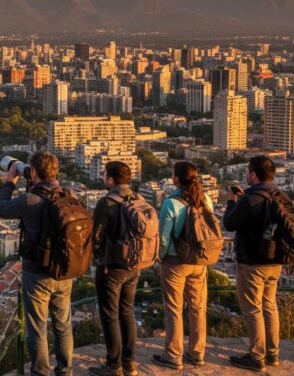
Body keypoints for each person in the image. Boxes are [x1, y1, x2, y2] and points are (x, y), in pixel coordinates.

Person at [0, 151, 74, 376]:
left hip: (36, 272)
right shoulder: (69, 194)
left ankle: (40, 372)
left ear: (35, 173)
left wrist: (9, 182)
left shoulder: (29, 200)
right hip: (64, 271)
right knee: (63, 324)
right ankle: (65, 370)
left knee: (37, 327)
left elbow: (0, 208)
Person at [223, 156, 282, 372]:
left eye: (248, 172)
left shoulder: (250, 199)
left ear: (254, 174)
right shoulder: (279, 196)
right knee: (270, 306)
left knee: (253, 309)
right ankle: (273, 354)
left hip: (252, 263)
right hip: (275, 261)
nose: (247, 175)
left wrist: (231, 201)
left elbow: (229, 223)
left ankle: (256, 356)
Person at [153, 161, 213, 370]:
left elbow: (162, 238)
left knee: (174, 310)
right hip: (199, 262)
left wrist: (160, 258)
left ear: (176, 179)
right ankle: (197, 353)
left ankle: (173, 356)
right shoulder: (205, 199)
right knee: (197, 308)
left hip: (175, 262)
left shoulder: (171, 203)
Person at [89, 161, 144, 376]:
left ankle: (113, 365)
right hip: (134, 265)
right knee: (127, 311)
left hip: (110, 267)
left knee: (109, 315)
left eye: (105, 176)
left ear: (110, 179)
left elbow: (96, 237)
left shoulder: (107, 203)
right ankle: (129, 362)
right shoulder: (138, 198)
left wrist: (96, 259)